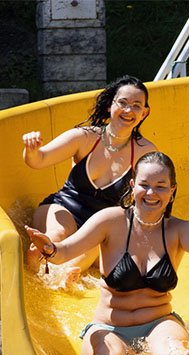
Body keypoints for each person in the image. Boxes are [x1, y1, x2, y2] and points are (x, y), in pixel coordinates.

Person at [25, 151, 189, 355]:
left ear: (172, 190)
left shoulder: (178, 230)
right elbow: (66, 250)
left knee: (169, 347)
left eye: (160, 186)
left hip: (158, 322)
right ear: (132, 185)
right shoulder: (111, 221)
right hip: (110, 327)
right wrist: (49, 248)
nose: (151, 193)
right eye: (144, 185)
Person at [22, 75, 156, 283]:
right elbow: (39, 159)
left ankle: (62, 273)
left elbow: (155, 192)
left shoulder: (145, 152)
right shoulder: (85, 138)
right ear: (111, 104)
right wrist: (31, 149)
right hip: (62, 207)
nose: (129, 110)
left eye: (136, 106)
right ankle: (38, 260)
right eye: (123, 103)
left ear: (144, 113)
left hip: (99, 225)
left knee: (98, 240)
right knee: (58, 233)